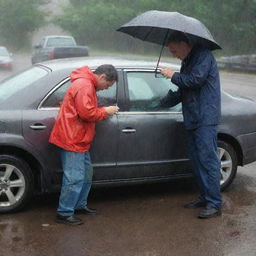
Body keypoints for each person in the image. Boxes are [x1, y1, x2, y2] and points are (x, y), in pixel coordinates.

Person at [160, 32, 222, 219]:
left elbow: (195, 80)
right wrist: (162, 102)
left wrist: (173, 75)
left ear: (184, 43)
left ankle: (215, 204)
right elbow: (184, 90)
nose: (174, 55)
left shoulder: (203, 55)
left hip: (205, 118)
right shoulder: (187, 60)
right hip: (192, 118)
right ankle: (204, 197)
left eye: (174, 51)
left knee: (208, 161)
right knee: (196, 161)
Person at [49, 64, 119, 225]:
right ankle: (64, 213)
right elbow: (87, 113)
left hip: (78, 138)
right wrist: (105, 111)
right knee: (74, 178)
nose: (106, 89)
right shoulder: (85, 86)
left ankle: (78, 205)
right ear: (102, 77)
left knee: (86, 174)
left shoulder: (86, 84)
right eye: (107, 85)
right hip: (72, 138)